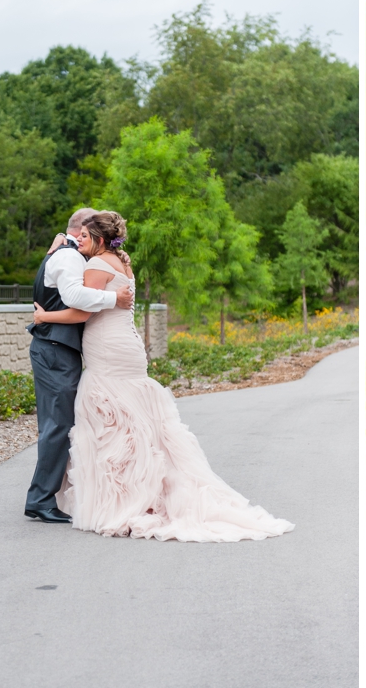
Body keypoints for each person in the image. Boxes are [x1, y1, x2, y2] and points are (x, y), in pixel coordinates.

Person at [30, 211, 292, 541]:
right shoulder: (123, 261)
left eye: (85, 237)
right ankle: (148, 489)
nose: (79, 241)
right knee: (134, 421)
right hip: (127, 345)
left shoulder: (97, 265)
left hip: (108, 349)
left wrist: (44, 316)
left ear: (98, 239)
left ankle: (127, 496)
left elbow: (81, 308)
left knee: (111, 421)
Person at [24, 208, 132, 524]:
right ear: (80, 230)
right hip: (54, 349)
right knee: (57, 425)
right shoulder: (69, 257)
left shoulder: (69, 253)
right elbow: (73, 296)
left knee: (62, 423)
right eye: (84, 234)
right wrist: (115, 300)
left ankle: (48, 496)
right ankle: (40, 500)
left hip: (61, 350)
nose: (86, 240)